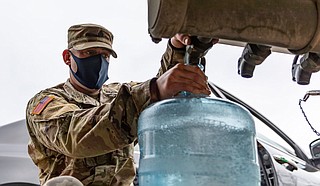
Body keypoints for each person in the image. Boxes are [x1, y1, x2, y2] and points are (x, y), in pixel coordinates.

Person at [26, 23, 215, 186]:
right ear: (68, 57)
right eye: (89, 53)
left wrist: (178, 47)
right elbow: (75, 136)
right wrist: (154, 90)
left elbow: (158, 95)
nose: (99, 61)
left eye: (105, 55)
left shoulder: (116, 95)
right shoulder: (47, 103)